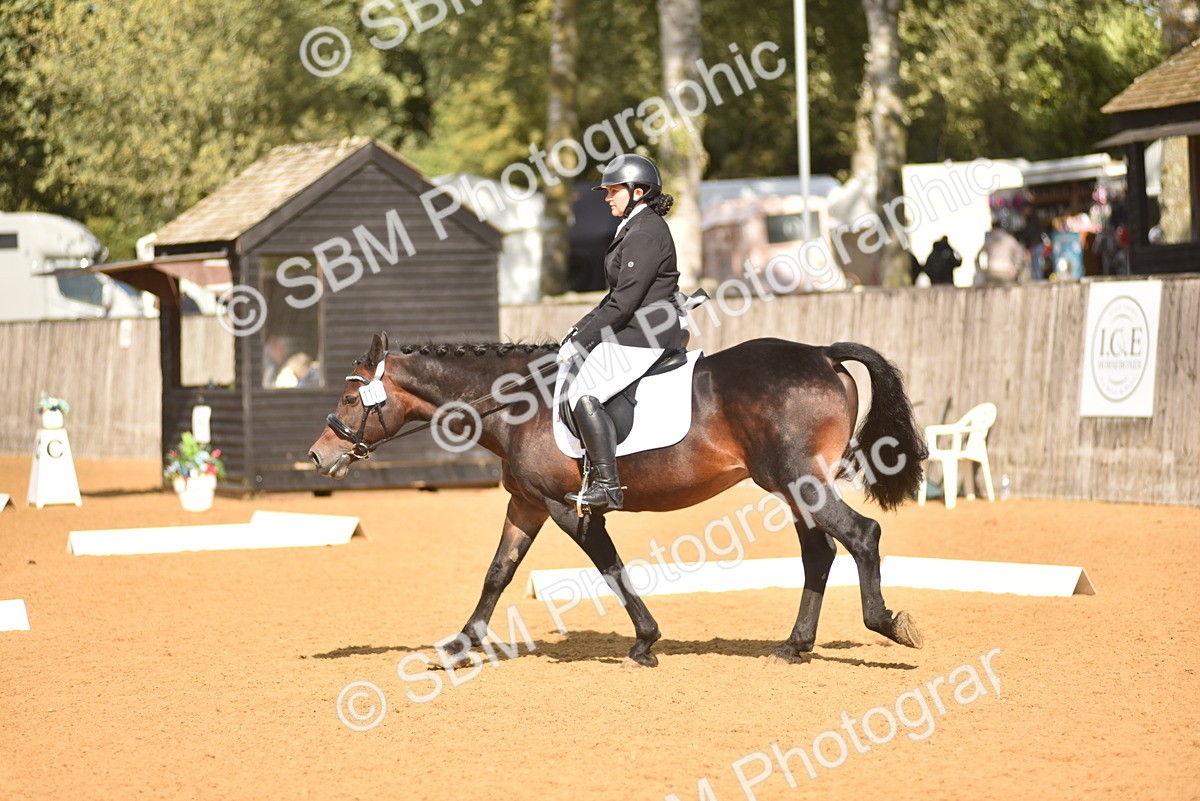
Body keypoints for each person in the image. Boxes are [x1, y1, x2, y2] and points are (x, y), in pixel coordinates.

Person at [557, 154, 683, 514]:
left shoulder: (644, 232)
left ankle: (609, 488)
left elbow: (625, 303)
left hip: (643, 336)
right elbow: (614, 297)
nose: (607, 197)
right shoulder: (634, 227)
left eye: (613, 191)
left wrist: (583, 342)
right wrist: (578, 329)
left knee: (583, 391)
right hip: (633, 331)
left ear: (638, 192)